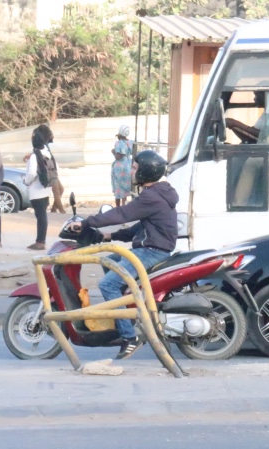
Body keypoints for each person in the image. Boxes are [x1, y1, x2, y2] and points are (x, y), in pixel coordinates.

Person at [72, 150, 178, 360]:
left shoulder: (151, 196)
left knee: (108, 285)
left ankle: (129, 337)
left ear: (145, 172)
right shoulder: (159, 193)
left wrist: (87, 222)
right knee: (108, 261)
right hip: (152, 248)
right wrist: (109, 236)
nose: (131, 171)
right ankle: (125, 313)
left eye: (135, 168)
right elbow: (142, 226)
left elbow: (122, 214)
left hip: (151, 251)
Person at [23, 129, 56, 251]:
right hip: (46, 188)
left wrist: (26, 181)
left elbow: (32, 173)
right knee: (42, 215)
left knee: (41, 216)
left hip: (36, 190)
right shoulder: (46, 152)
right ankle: (40, 240)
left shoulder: (34, 155)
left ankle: (40, 241)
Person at [111, 125, 133, 208]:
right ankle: (124, 206)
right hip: (128, 165)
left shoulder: (118, 143)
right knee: (125, 186)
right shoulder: (131, 142)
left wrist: (113, 151)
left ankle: (118, 208)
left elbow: (118, 156)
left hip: (119, 167)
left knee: (118, 188)